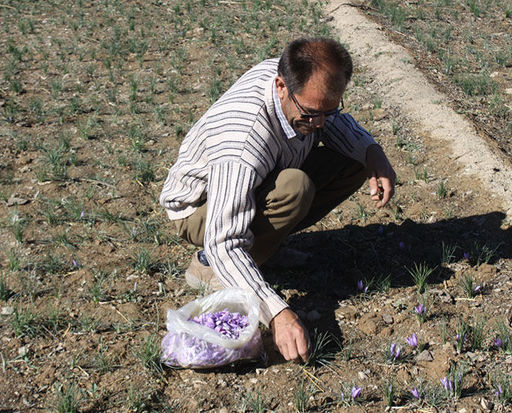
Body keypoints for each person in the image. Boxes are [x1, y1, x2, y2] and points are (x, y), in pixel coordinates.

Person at [159, 37, 396, 362]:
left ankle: (261, 250)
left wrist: (373, 153)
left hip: (257, 177)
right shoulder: (242, 139)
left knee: (355, 159)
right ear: (281, 86)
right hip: (201, 209)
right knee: (293, 189)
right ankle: (207, 268)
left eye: (329, 110)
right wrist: (277, 314)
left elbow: (329, 117)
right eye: (312, 113)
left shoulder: (303, 89)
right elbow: (223, 240)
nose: (320, 123)